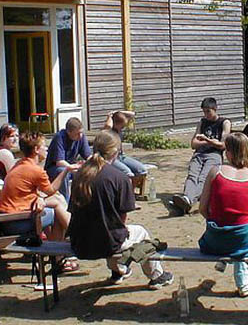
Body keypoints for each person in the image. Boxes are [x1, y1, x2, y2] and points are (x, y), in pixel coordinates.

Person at [68, 130, 174, 289]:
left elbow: (72, 210)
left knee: (108, 232)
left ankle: (118, 271)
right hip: (104, 243)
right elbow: (121, 219)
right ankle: (157, 276)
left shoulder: (79, 175)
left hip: (79, 242)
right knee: (139, 233)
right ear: (115, 152)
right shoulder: (119, 177)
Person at [197, 133, 248, 297]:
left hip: (214, 241)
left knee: (231, 231)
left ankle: (225, 261)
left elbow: (202, 209)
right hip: (241, 240)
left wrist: (217, 221)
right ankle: (243, 281)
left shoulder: (215, 172)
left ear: (229, 152)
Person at [0, 132, 76, 263]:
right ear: (35, 150)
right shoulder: (35, 170)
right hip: (16, 221)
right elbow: (50, 190)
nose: (46, 149)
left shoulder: (20, 164)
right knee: (57, 208)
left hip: (9, 217)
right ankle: (65, 247)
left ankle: (59, 248)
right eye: (44, 146)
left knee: (57, 200)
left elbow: (30, 192)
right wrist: (66, 170)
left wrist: (40, 198)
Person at [171, 97, 231, 215]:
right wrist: (209, 141)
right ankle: (187, 199)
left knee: (203, 178)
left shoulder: (224, 122)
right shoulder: (202, 122)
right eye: (204, 111)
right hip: (199, 153)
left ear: (215, 109)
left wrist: (205, 140)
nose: (206, 114)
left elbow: (222, 144)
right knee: (192, 176)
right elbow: (193, 144)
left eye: (208, 111)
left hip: (214, 155)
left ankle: (187, 199)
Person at [44, 117, 92, 205]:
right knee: (62, 171)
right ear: (68, 132)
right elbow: (59, 162)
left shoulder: (81, 137)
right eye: (77, 133)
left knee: (88, 171)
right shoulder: (59, 138)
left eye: (81, 132)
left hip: (71, 167)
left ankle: (84, 202)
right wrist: (72, 168)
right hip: (54, 169)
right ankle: (65, 203)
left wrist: (93, 165)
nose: (80, 136)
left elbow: (88, 156)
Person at [103, 110, 147, 177]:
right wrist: (109, 116)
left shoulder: (118, 129)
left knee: (142, 170)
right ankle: (127, 186)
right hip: (111, 158)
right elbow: (108, 125)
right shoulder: (109, 131)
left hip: (121, 156)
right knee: (128, 173)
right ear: (115, 123)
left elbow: (133, 114)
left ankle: (134, 186)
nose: (122, 128)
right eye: (122, 126)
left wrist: (118, 112)